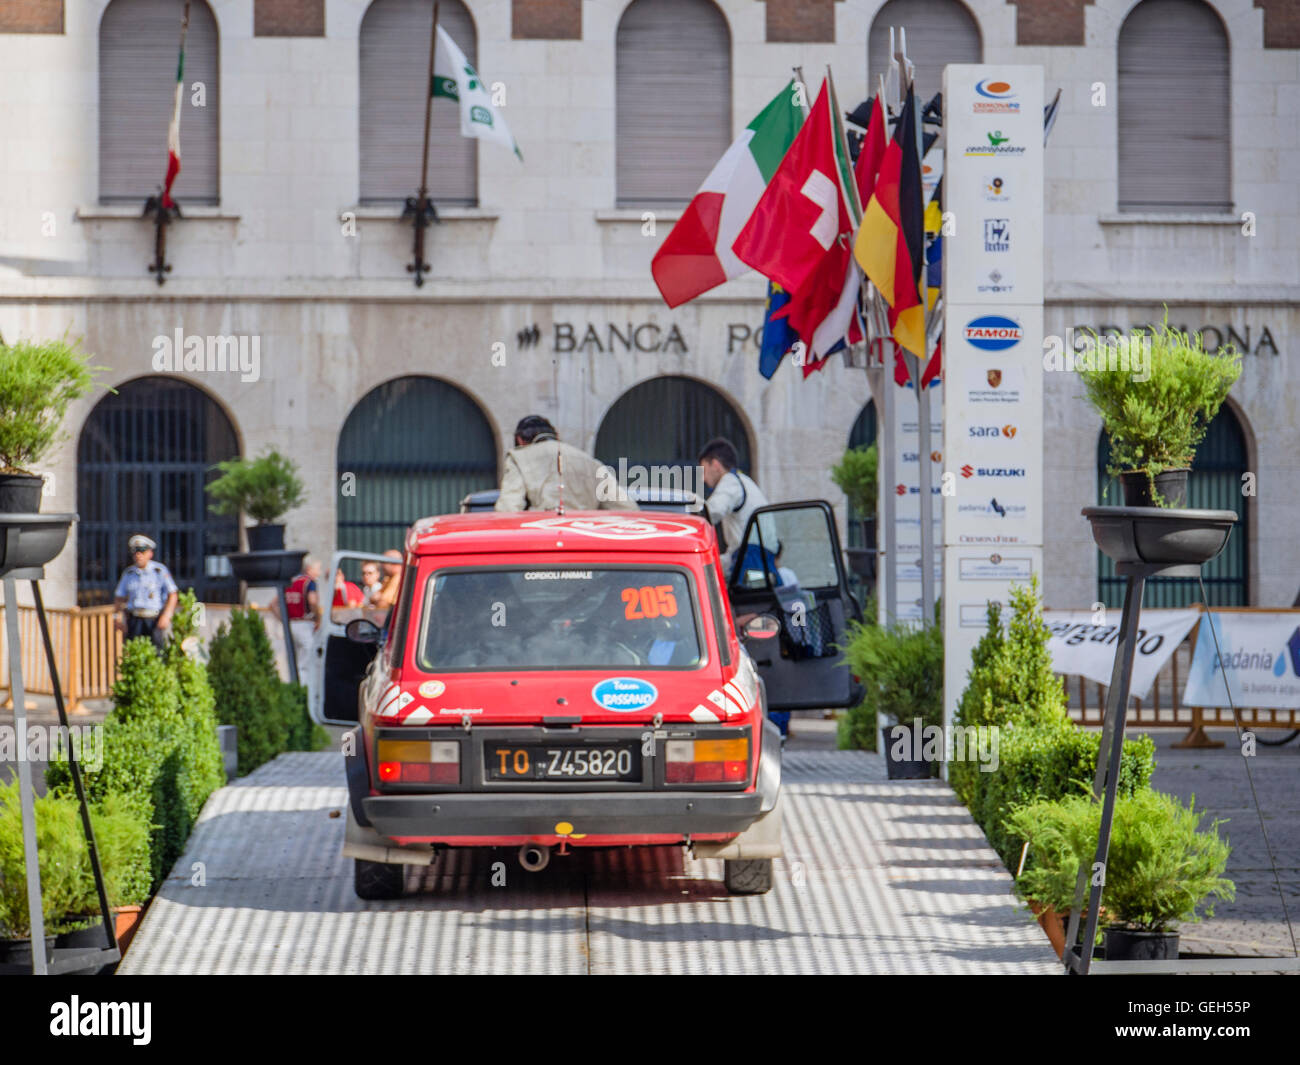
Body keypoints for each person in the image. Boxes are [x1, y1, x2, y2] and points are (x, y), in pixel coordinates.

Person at [495, 415, 637, 512]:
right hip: (585, 541)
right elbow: (627, 509)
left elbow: (508, 508)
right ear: (555, 434)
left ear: (519, 440)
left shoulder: (518, 456)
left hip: (542, 539)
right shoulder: (590, 462)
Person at [698, 437, 769, 578]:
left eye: (704, 471)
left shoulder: (730, 482)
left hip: (749, 561)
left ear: (716, 465)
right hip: (758, 559)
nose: (703, 479)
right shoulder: (745, 482)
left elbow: (711, 512)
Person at [112, 534, 178, 652]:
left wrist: (167, 615)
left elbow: (172, 594)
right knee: (134, 653)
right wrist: (119, 616)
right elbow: (119, 597)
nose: (138, 555)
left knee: (157, 654)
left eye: (142, 551)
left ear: (150, 553)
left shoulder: (159, 571)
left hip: (154, 619)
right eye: (135, 552)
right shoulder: (129, 573)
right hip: (135, 619)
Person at [269, 556, 321, 683]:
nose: (318, 572)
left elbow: (272, 604)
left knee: (293, 660)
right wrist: (318, 617)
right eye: (317, 569)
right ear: (309, 569)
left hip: (291, 624)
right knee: (306, 662)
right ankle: (303, 690)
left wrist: (283, 620)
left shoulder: (290, 583)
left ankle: (293, 686)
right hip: (305, 623)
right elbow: (312, 601)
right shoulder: (309, 583)